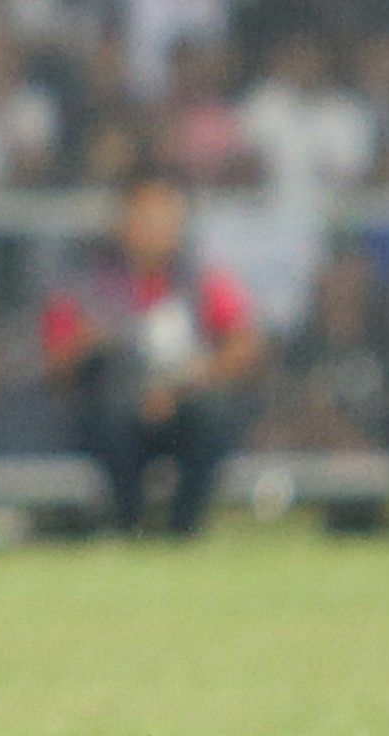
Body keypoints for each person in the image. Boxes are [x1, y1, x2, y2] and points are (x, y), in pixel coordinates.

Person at [41, 176, 263, 535]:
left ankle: (183, 528)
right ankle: (126, 525)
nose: (159, 231)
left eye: (168, 220)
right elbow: (58, 362)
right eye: (149, 220)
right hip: (111, 414)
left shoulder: (199, 281)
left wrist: (191, 380)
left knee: (216, 415)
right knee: (109, 411)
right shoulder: (86, 283)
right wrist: (95, 343)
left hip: (183, 402)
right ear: (124, 224)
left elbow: (244, 341)